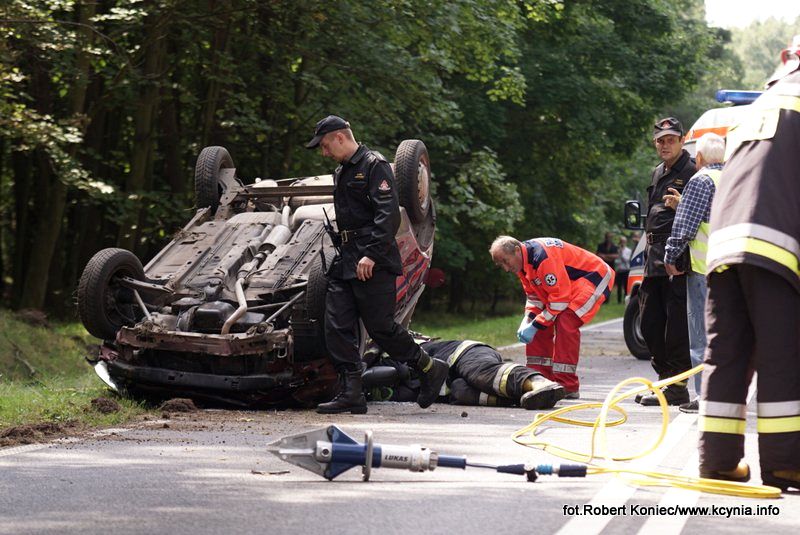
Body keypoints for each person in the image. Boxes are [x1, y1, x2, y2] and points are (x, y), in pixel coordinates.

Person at [698, 38, 800, 491]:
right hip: (774, 242)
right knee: (783, 353)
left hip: (722, 246)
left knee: (727, 353)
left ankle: (717, 460)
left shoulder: (763, 102)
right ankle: (786, 464)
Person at [306, 115, 448, 414]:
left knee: (381, 327)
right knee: (337, 326)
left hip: (374, 259)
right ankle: (351, 393)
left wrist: (371, 254)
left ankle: (428, 367)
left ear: (340, 137)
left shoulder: (374, 166)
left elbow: (388, 216)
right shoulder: (342, 171)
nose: (324, 152)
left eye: (325, 145)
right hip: (346, 258)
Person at [489, 235, 614, 399]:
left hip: (594, 276)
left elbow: (559, 301)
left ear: (517, 250)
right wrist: (527, 320)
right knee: (539, 325)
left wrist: (535, 324)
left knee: (566, 320)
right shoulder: (523, 265)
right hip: (568, 284)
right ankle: (539, 381)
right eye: (501, 265)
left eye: (506, 261)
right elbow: (535, 298)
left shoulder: (542, 258)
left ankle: (567, 386)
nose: (506, 268)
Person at [661, 133, 725, 414]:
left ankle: (704, 396)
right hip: (731, 267)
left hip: (703, 268)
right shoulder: (734, 178)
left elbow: (687, 226)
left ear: (698, 158)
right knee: (725, 335)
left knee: (700, 337)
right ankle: (724, 394)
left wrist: (670, 255)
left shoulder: (700, 180)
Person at [636, 117, 696, 407]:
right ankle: (665, 381)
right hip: (653, 260)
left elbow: (705, 213)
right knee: (649, 324)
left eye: (671, 139)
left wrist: (682, 204)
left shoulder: (693, 170)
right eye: (660, 140)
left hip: (678, 261)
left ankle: (676, 388)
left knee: (676, 330)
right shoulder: (658, 171)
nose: (665, 144)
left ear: (682, 141)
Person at [362, 337, 566, 409]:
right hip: (451, 386)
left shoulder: (391, 349)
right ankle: (525, 397)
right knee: (462, 392)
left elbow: (400, 371)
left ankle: (538, 383)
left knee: (481, 374)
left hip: (462, 354)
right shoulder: (382, 392)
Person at [615, 236, 632, 304]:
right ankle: (619, 301)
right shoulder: (617, 250)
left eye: (623, 242)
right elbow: (616, 260)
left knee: (625, 286)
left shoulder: (628, 250)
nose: (622, 243)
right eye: (621, 241)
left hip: (626, 269)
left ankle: (625, 300)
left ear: (625, 242)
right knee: (619, 286)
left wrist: (621, 253)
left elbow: (626, 260)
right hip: (619, 270)